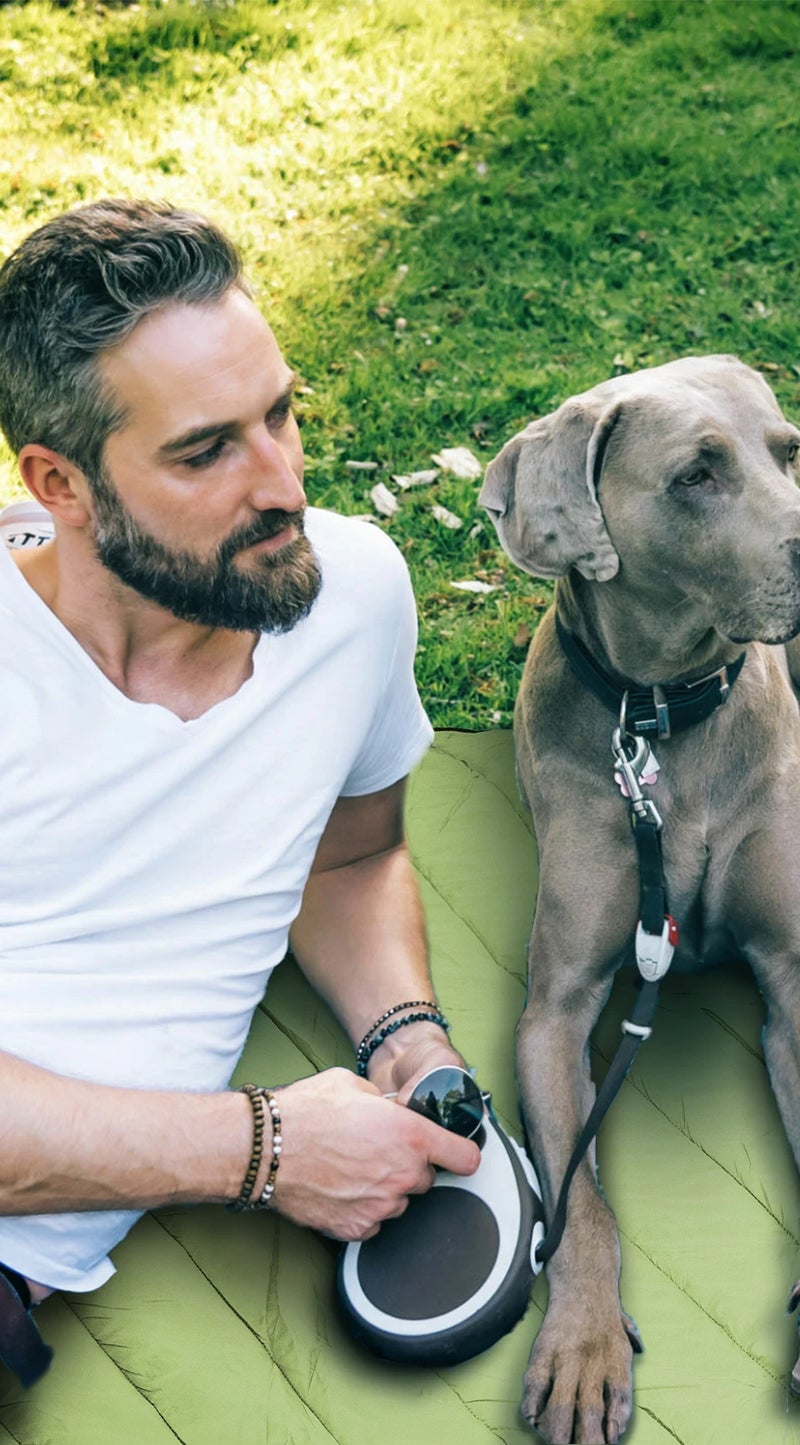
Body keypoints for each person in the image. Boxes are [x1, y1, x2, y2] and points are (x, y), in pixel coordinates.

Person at [0, 199, 480, 1384]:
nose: (281, 485)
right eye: (206, 450)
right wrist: (264, 1148)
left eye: (281, 415)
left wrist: (404, 1033)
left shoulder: (352, 591)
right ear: (60, 483)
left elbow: (350, 854)